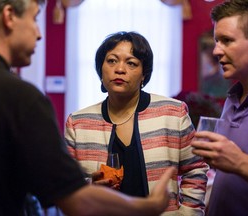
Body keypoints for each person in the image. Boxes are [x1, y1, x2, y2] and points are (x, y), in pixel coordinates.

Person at [0, 0, 176, 215]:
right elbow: (73, 199)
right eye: (35, 18)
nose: (39, 33)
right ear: (9, 16)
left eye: (131, 63)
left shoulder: (172, 111)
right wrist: (148, 206)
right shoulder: (21, 99)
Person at [65, 31, 209, 215]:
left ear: (143, 74)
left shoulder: (173, 113)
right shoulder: (78, 123)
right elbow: (67, 185)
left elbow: (195, 170)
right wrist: (91, 186)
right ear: (100, 69)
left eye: (131, 63)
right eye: (111, 61)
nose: (119, 69)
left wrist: (187, 213)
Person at [191, 0, 248, 215]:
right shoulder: (233, 98)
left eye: (227, 40)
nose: (216, 51)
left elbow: (235, 162)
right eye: (217, 41)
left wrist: (239, 161)